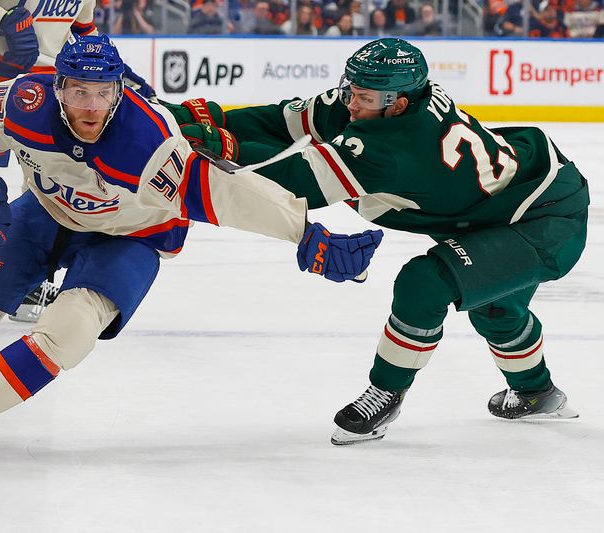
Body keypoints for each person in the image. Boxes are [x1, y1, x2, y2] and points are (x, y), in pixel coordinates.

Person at [0, 34, 383, 452]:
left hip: (130, 235)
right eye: (79, 91)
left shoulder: (148, 145)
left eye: (103, 93)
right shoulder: (26, 103)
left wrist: (306, 235)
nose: (90, 106)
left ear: (119, 92)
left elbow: (227, 192)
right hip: (44, 215)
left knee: (68, 330)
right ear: (57, 86)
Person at [171, 38, 589, 444]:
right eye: (351, 90)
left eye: (364, 98)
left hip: (545, 218)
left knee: (426, 282)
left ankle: (387, 393)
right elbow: (281, 121)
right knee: (496, 307)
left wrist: (228, 146)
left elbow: (295, 179)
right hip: (503, 201)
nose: (351, 104)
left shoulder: (396, 148)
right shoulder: (378, 100)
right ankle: (538, 394)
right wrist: (198, 118)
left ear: (400, 103)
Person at [0, 0, 155, 319]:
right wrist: (4, 19)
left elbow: (81, 31)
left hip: (48, 86)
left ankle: (23, 281)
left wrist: (113, 69)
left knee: (44, 183)